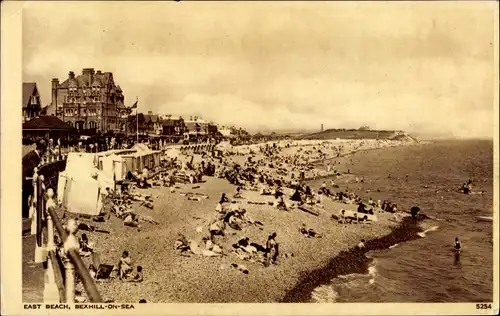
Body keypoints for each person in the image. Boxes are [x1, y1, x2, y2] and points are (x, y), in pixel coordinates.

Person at [22, 139, 47, 219]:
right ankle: (26, 216)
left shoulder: (32, 155)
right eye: (44, 150)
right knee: (26, 198)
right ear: (41, 149)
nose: (44, 153)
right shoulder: (33, 156)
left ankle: (27, 214)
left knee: (27, 198)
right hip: (26, 179)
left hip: (26, 178)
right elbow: (33, 169)